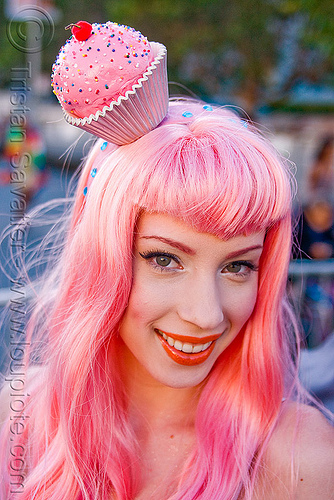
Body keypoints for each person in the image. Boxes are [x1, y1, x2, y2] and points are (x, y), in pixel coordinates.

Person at [1, 23, 334, 500]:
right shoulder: (15, 423)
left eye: (238, 266)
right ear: (103, 257)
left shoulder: (305, 460)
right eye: (165, 258)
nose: (206, 315)